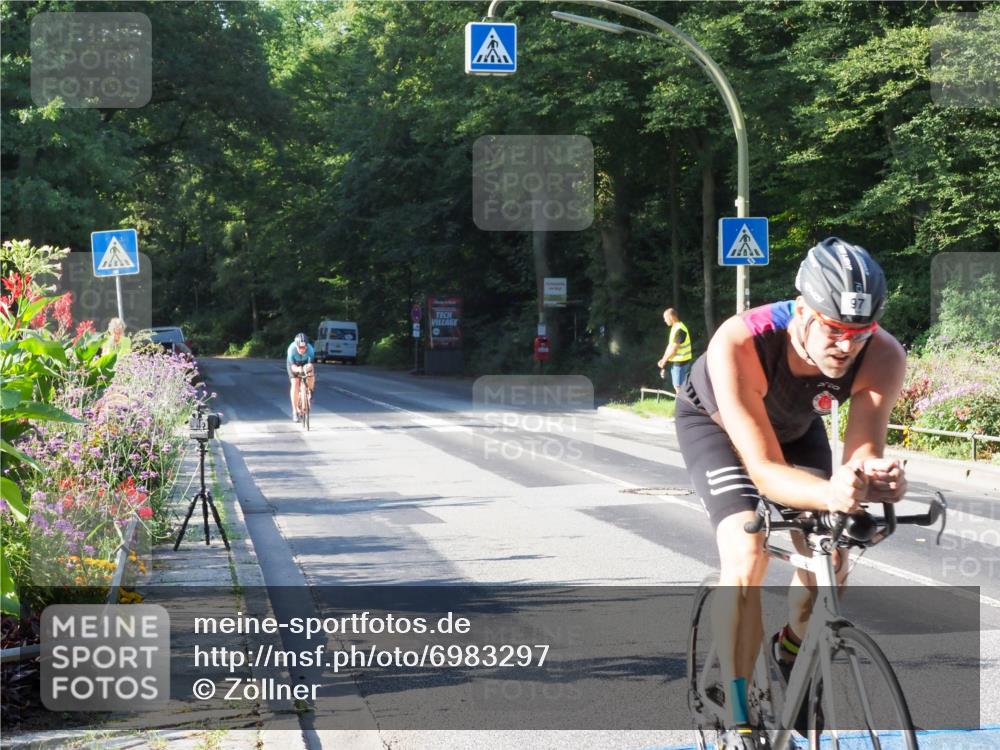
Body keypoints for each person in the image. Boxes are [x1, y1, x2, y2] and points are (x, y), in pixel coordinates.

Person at [675, 238, 907, 748]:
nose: (846, 346)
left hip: (796, 429)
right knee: (748, 550)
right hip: (716, 427)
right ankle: (739, 713)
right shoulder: (741, 340)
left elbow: (861, 456)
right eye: (834, 329)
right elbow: (763, 470)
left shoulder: (883, 354)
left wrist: (875, 478)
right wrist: (830, 492)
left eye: (860, 333)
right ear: (802, 312)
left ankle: (794, 647)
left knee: (833, 553)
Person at [656, 308, 692, 392]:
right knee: (679, 386)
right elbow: (670, 346)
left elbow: (674, 349)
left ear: (671, 317)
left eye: (665, 318)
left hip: (681, 362)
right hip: (678, 362)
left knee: (678, 387)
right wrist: (663, 359)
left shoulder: (680, 329)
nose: (664, 320)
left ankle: (682, 401)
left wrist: (664, 361)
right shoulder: (674, 328)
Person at [287, 332, 316, 422]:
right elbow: (292, 367)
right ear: (296, 346)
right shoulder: (291, 350)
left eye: (304, 347)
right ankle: (295, 412)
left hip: (305, 362)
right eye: (300, 347)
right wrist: (299, 369)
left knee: (310, 373)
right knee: (295, 383)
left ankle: (310, 391)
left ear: (307, 346)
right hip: (294, 364)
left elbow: (311, 365)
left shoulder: (310, 350)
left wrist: (308, 371)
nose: (302, 349)